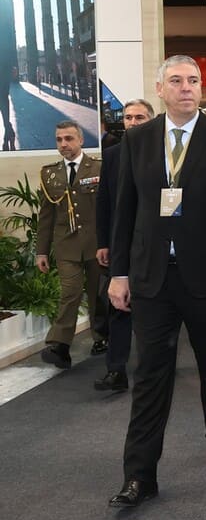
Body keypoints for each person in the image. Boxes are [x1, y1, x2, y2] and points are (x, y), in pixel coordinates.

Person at [107, 55, 206, 508]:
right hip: (152, 278)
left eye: (193, 80)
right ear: (160, 88)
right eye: (176, 81)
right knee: (150, 373)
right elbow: (124, 210)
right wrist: (118, 271)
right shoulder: (137, 140)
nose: (186, 87)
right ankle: (140, 475)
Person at [93, 100, 154, 391]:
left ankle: (154, 364)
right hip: (121, 243)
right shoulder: (114, 156)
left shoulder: (164, 154)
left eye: (139, 117)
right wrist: (103, 242)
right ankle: (116, 370)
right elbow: (104, 202)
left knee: (152, 308)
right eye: (128, 117)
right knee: (117, 306)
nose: (132, 122)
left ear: (151, 120)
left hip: (154, 245)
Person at [36, 121, 106, 369]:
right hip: (66, 245)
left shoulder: (99, 167)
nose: (64, 144)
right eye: (59, 140)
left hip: (98, 245)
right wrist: (41, 251)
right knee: (70, 292)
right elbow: (46, 216)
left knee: (99, 295)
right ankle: (60, 345)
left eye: (69, 139)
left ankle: (102, 337)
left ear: (81, 140)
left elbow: (110, 208)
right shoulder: (50, 173)